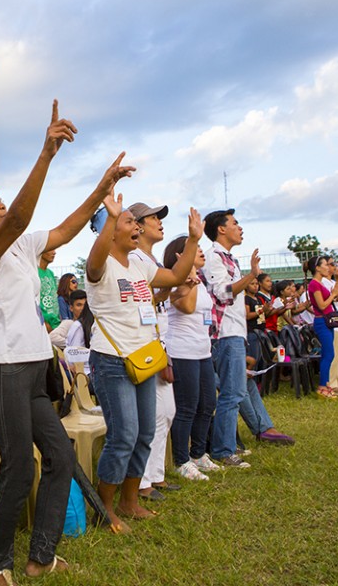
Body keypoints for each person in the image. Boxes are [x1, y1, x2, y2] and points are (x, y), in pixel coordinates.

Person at [0, 100, 128, 583]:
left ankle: (41, 555)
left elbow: (65, 228)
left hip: (31, 368)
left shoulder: (22, 245)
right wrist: (46, 154)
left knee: (61, 457)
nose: (1, 202)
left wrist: (101, 189)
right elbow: (20, 219)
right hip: (1, 371)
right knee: (18, 469)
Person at [87, 191, 202, 530]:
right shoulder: (99, 264)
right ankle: (103, 507)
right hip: (112, 360)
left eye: (137, 222)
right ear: (109, 229)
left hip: (142, 358)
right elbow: (95, 262)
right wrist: (110, 215)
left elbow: (176, 276)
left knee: (144, 433)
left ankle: (130, 500)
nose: (137, 227)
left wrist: (194, 240)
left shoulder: (139, 263)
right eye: (129, 222)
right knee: (124, 435)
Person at [127, 202, 179, 502]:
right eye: (153, 218)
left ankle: (155, 476)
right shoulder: (133, 258)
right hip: (142, 345)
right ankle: (141, 481)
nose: (160, 222)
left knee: (166, 413)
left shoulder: (149, 258)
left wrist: (170, 290)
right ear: (138, 226)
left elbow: (151, 299)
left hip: (158, 341)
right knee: (153, 417)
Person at [200, 209, 260, 467]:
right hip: (225, 333)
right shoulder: (214, 257)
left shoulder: (229, 259)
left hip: (235, 331)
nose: (240, 227)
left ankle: (228, 445)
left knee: (233, 391)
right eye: (235, 223)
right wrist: (251, 277)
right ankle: (224, 451)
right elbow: (223, 293)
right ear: (221, 229)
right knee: (231, 392)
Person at [162, 235, 217, 482]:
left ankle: (198, 454)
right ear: (180, 256)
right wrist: (190, 278)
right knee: (187, 407)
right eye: (195, 250)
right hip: (182, 351)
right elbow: (187, 308)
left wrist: (195, 278)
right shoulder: (175, 279)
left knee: (207, 404)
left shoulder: (200, 281)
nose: (202, 252)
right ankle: (181, 460)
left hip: (203, 350)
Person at [306, 255, 338, 399]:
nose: (327, 268)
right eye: (325, 265)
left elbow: (333, 299)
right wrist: (333, 295)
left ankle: (326, 384)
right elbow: (322, 305)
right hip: (321, 321)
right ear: (317, 268)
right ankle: (322, 386)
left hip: (326, 321)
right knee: (328, 354)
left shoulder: (321, 284)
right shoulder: (314, 285)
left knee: (328, 354)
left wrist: (337, 286)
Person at [38, 249, 61, 331]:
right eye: (51, 249)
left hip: (56, 324)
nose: (54, 252)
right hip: (43, 325)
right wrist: (44, 323)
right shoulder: (33, 272)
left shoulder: (51, 273)